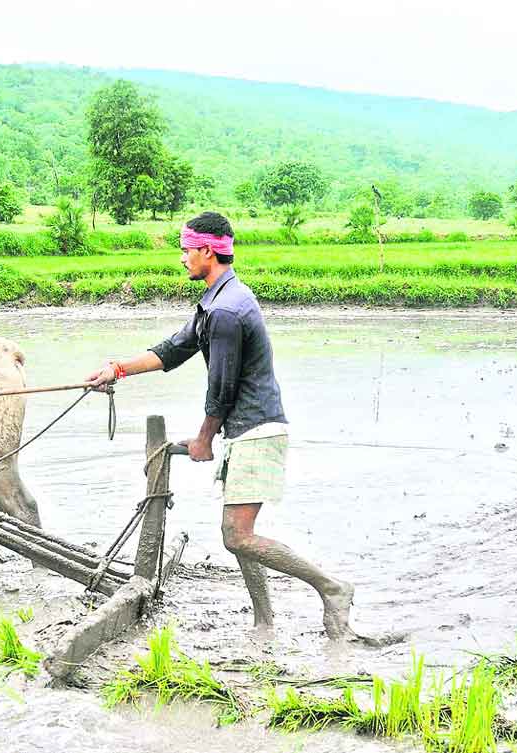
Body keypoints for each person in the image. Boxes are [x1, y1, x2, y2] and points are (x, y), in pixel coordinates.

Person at [86, 211, 363, 642]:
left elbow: (222, 389)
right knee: (237, 531)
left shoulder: (227, 311)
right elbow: (172, 351)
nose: (181, 259)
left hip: (255, 429)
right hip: (245, 430)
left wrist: (202, 439)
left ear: (207, 251)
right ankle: (264, 621)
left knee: (236, 536)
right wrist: (117, 369)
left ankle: (332, 587)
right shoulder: (216, 302)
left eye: (185, 250)